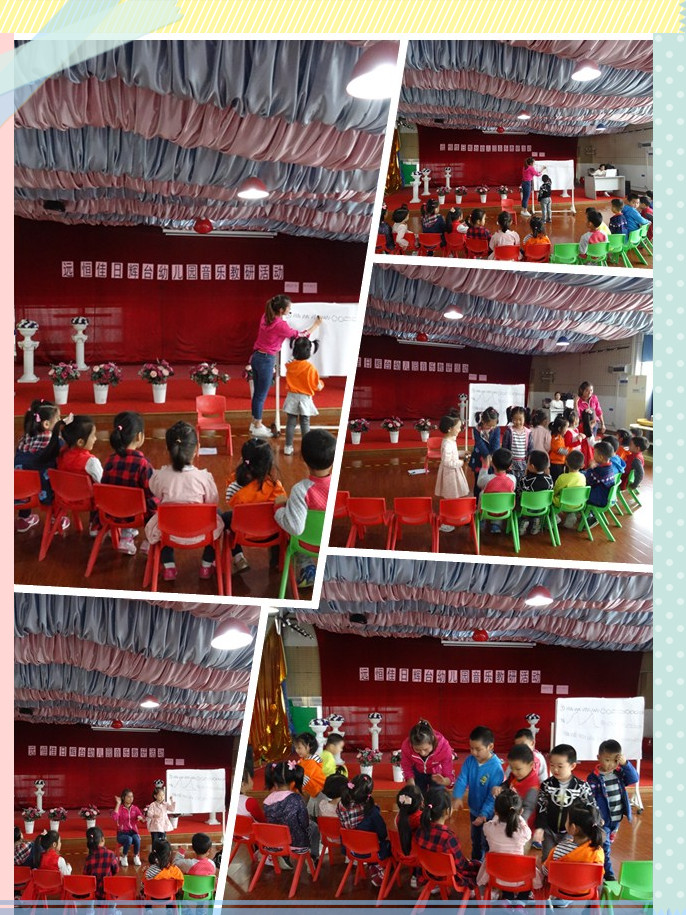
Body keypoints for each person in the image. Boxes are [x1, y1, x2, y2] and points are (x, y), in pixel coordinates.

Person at [144, 421, 224, 581]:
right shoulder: (204, 477)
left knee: (161, 519)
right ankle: (207, 565)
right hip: (202, 532)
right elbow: (213, 501)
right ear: (197, 449)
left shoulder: (160, 476)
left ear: (168, 449)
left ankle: (169, 567)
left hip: (168, 532)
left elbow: (155, 491)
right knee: (217, 515)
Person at [250, 294, 322, 438]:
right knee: (260, 395)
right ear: (281, 310)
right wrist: (316, 325)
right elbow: (300, 335)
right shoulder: (280, 325)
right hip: (266, 360)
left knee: (257, 394)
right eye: (289, 308)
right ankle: (257, 425)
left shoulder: (266, 317)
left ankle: (255, 422)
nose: (290, 310)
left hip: (256, 357)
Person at [224, 438, 287, 572]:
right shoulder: (275, 486)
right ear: (269, 463)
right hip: (271, 533)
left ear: (244, 460)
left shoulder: (234, 483)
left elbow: (230, 503)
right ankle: (276, 561)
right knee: (278, 518)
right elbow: (282, 504)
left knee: (226, 517)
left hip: (243, 533)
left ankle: (239, 557)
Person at [101, 411, 156, 555]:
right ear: (139, 437)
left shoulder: (109, 460)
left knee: (125, 497)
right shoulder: (143, 464)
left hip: (112, 512)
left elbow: (104, 486)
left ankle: (126, 537)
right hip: (136, 515)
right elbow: (151, 494)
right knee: (156, 502)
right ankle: (150, 540)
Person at [586, 740, 639, 881]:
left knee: (606, 844)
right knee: (605, 846)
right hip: (602, 820)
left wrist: (625, 764)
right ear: (598, 758)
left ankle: (597, 862)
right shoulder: (594, 777)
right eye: (607, 760)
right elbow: (590, 800)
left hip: (616, 819)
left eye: (615, 761)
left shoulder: (619, 773)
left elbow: (634, 778)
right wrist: (595, 817)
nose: (610, 764)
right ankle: (608, 874)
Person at [532, 744, 595, 860]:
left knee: (565, 858)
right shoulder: (546, 785)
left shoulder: (581, 786)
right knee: (547, 857)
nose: (555, 770)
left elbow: (591, 807)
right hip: (549, 830)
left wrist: (595, 822)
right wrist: (540, 827)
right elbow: (541, 807)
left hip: (570, 832)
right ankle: (547, 872)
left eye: (560, 766)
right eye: (552, 765)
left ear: (572, 766)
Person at [452, 726, 504, 861]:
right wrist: (457, 796)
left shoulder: (496, 768)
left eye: (478, 749)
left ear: (490, 747)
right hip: (474, 810)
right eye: (471, 748)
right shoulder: (470, 760)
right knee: (475, 840)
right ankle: (475, 864)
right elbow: (462, 779)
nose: (474, 752)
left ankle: (485, 867)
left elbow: (492, 797)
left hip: (489, 815)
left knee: (486, 843)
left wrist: (484, 814)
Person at [14, 400, 66, 532]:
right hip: (44, 493)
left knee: (25, 473)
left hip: (20, 493)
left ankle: (24, 518)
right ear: (46, 424)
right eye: (58, 419)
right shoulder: (56, 442)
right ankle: (56, 519)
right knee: (58, 477)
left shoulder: (24, 438)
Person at [478, 790, 541, 895]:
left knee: (505, 872)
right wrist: (518, 815)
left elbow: (493, 821)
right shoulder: (523, 833)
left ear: (495, 811)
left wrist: (500, 812)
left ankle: (507, 897)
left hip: (496, 875)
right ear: (520, 812)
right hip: (519, 877)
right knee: (529, 873)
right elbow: (526, 829)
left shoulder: (488, 828)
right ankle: (522, 900)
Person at [275, 429, 334, 538]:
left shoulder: (300, 491)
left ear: (302, 457)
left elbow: (295, 529)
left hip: (303, 544)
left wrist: (278, 508)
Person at [417, 786, 479, 887]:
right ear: (447, 811)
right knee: (479, 866)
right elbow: (462, 865)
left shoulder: (420, 830)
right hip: (450, 877)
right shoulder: (448, 837)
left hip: (429, 872)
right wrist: (475, 863)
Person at [338, 774, 390, 887]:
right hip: (371, 852)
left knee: (370, 842)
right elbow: (383, 834)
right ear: (369, 793)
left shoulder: (341, 805)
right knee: (390, 846)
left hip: (350, 850)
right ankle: (381, 873)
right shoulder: (372, 811)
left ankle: (373, 866)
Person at [264, 761, 320, 859]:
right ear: (293, 783)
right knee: (314, 826)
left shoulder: (267, 800)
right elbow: (305, 823)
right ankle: (314, 855)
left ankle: (283, 859)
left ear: (274, 782)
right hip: (296, 844)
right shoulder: (296, 799)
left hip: (274, 844)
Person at [541, 801, 605, 880]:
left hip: (560, 887)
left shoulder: (558, 850)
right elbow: (598, 877)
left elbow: (546, 872)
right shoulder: (598, 851)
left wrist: (539, 865)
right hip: (585, 888)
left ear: (573, 828)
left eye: (567, 820)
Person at [283, 337, 324, 456]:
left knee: (290, 422)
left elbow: (291, 362)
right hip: (305, 398)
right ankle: (306, 448)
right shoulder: (311, 368)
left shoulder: (289, 366)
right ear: (308, 351)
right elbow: (317, 386)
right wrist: (321, 384)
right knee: (305, 423)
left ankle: (288, 447)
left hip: (292, 396)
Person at [400, 719, 455, 794]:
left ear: (432, 740)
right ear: (411, 744)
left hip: (436, 774)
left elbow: (449, 774)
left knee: (437, 796)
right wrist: (410, 780)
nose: (422, 753)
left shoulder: (444, 747)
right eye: (417, 750)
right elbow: (406, 765)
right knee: (416, 795)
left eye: (426, 749)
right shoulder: (406, 745)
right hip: (418, 772)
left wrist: (444, 781)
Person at [435, 415, 470, 532]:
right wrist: (461, 462)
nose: (460, 429)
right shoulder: (447, 443)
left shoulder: (451, 440)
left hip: (453, 471)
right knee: (450, 497)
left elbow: (453, 454)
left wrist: (461, 453)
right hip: (449, 474)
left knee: (454, 496)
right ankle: (447, 522)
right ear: (450, 429)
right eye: (458, 427)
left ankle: (455, 515)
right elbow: (447, 462)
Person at [499, 744, 539, 825]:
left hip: (523, 824)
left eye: (518, 769)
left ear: (531, 765)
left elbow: (528, 808)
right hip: (510, 817)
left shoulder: (533, 786)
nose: (514, 772)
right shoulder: (515, 775)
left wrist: (518, 823)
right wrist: (500, 788)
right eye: (511, 768)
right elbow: (507, 784)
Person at [468, 407, 501, 497]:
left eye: (494, 425)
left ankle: (489, 498)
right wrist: (486, 455)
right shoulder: (476, 429)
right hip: (479, 457)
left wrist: (492, 455)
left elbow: (496, 443)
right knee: (479, 480)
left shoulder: (496, 429)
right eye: (489, 425)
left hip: (492, 458)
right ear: (483, 421)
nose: (491, 427)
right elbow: (479, 443)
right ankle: (477, 499)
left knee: (491, 479)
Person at [519, 451, 554, 534]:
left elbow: (519, 491)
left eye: (528, 462)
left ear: (532, 466)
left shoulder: (525, 480)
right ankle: (536, 520)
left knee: (519, 500)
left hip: (526, 508)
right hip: (543, 507)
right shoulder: (549, 479)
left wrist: (525, 475)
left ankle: (524, 520)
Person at [583, 441, 618, 523]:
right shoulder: (610, 467)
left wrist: (590, 468)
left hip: (600, 499)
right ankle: (590, 514)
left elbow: (588, 480)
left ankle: (589, 516)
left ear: (601, 457)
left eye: (594, 453)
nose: (593, 455)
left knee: (580, 494)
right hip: (607, 496)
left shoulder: (600, 471)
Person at [552, 450, 587, 527]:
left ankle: (554, 517)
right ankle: (571, 514)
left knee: (550, 497)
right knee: (571, 497)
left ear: (566, 463)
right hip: (578, 503)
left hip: (563, 503)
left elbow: (555, 491)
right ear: (582, 465)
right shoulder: (583, 477)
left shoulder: (562, 477)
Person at [83, 825, 119, 899]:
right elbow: (116, 869)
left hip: (95, 892)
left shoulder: (89, 858)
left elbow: (85, 874)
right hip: (108, 892)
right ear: (102, 839)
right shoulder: (110, 854)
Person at [113, 789, 145, 867]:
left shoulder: (135, 808)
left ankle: (136, 856)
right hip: (122, 833)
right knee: (129, 839)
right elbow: (114, 817)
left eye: (132, 796)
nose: (131, 798)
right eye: (128, 796)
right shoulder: (120, 808)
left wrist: (141, 818)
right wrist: (118, 803)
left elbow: (143, 820)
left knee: (137, 838)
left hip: (133, 832)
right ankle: (124, 857)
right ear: (123, 798)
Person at [502, 406, 532, 487]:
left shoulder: (528, 432)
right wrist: (507, 463)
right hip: (511, 463)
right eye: (515, 419)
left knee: (522, 484)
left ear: (524, 418)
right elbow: (505, 448)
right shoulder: (509, 431)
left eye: (520, 419)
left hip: (523, 463)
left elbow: (530, 449)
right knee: (511, 484)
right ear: (511, 418)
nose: (518, 422)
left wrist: (529, 463)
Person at [293, 732, 327, 802]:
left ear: (309, 746)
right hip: (311, 790)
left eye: (299, 748)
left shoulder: (312, 761)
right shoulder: (303, 760)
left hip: (319, 792)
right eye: (296, 748)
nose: (297, 750)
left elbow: (305, 779)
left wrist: (293, 789)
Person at [548, 416, 570, 483]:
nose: (567, 429)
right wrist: (570, 451)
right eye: (566, 427)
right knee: (556, 481)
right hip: (556, 465)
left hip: (560, 463)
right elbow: (560, 450)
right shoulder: (555, 438)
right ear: (560, 428)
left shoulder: (560, 437)